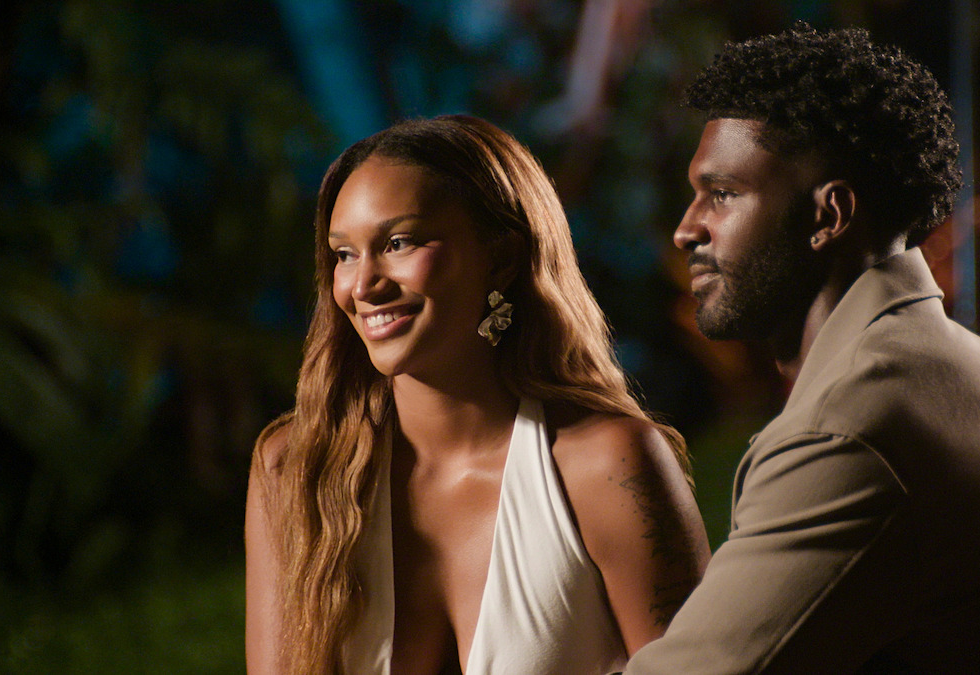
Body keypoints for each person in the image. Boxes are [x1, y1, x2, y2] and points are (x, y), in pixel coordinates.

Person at [620, 23, 980, 674]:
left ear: (830, 216)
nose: (686, 229)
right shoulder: (957, 366)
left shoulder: (855, 423)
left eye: (723, 194)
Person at [245, 115, 710, 675]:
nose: (363, 286)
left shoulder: (607, 464)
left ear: (503, 257)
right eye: (344, 254)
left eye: (399, 243)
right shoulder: (296, 469)